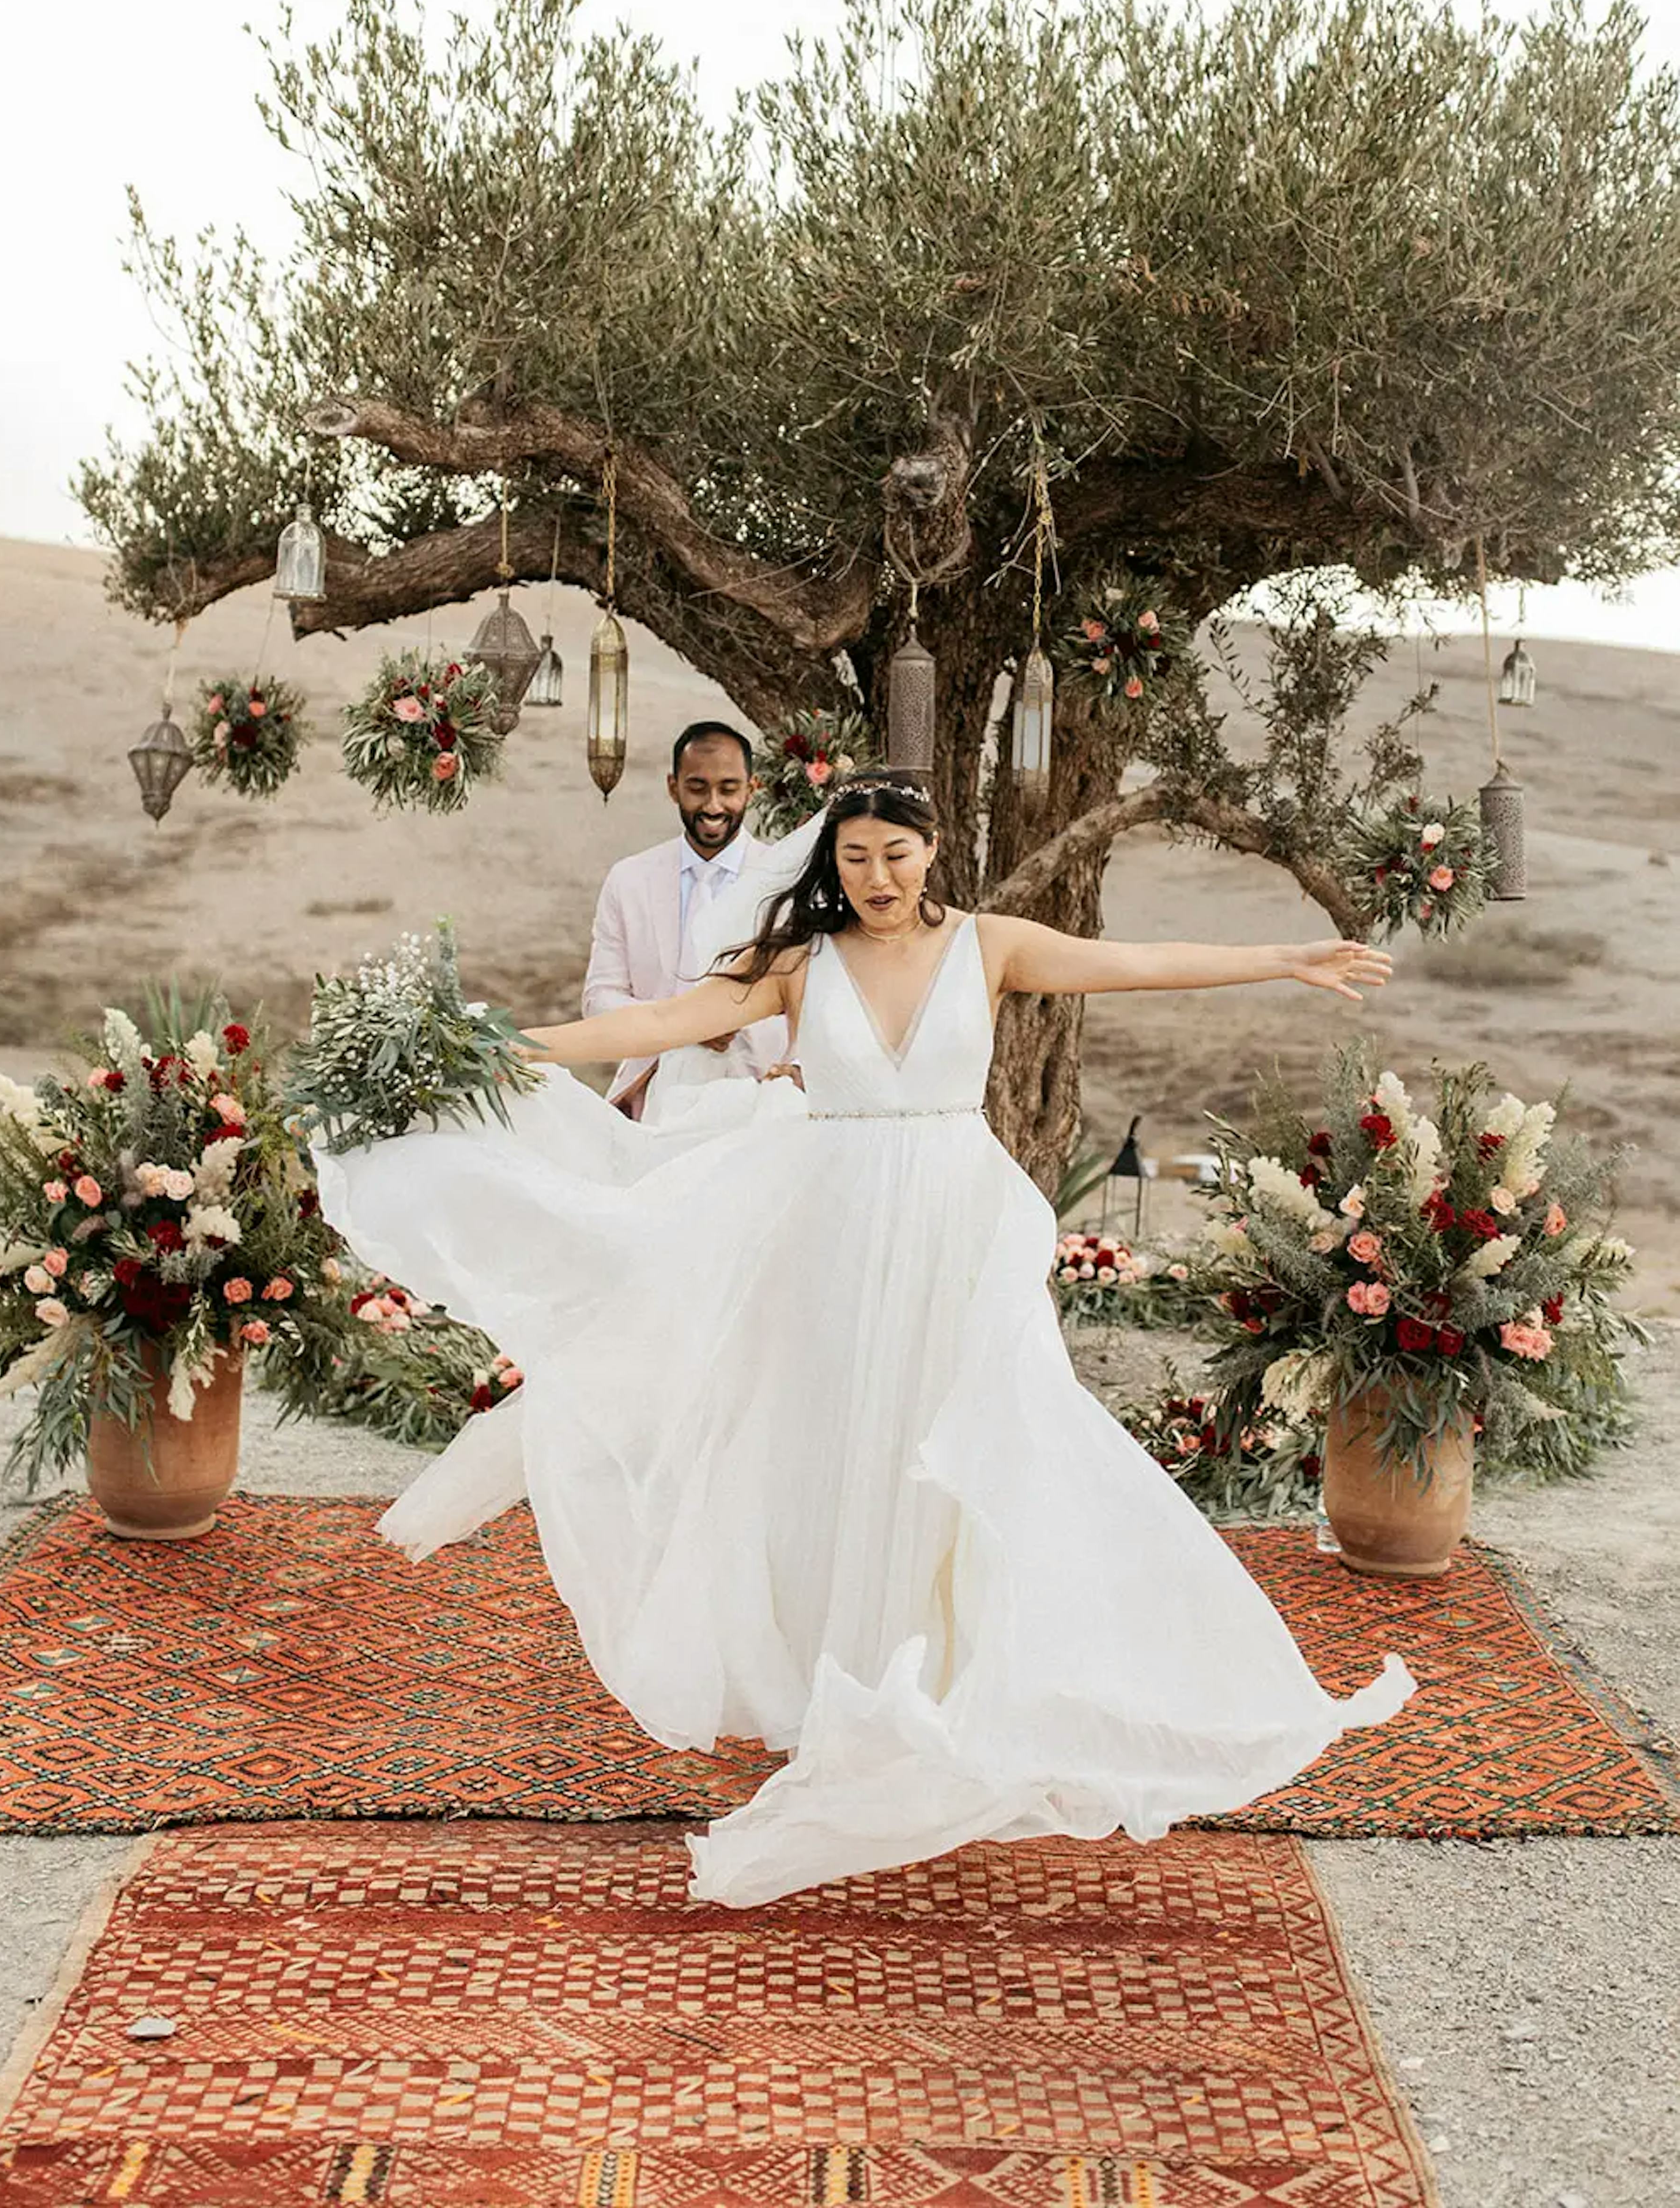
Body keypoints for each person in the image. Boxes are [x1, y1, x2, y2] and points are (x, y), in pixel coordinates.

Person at [314, 770, 1413, 1910]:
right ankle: (839, 1683)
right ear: (827, 865)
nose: (876, 877)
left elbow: (1130, 962)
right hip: (830, 1233)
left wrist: (1283, 958)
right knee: (832, 1450)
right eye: (855, 858)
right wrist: (506, 1046)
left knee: (976, 1439)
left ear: (930, 850)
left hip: (952, 1230)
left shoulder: (988, 944)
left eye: (895, 854)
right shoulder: (798, 963)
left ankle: (963, 1681)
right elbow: (659, 1020)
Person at [582, 719, 788, 1119]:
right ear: (673, 787)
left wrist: (735, 1022)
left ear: (752, 788)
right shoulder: (630, 879)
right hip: (649, 1100)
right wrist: (680, 1022)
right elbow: (598, 999)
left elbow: (811, 1005)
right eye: (697, 788)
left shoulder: (787, 881)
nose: (713, 806)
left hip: (764, 1104)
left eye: (728, 789)